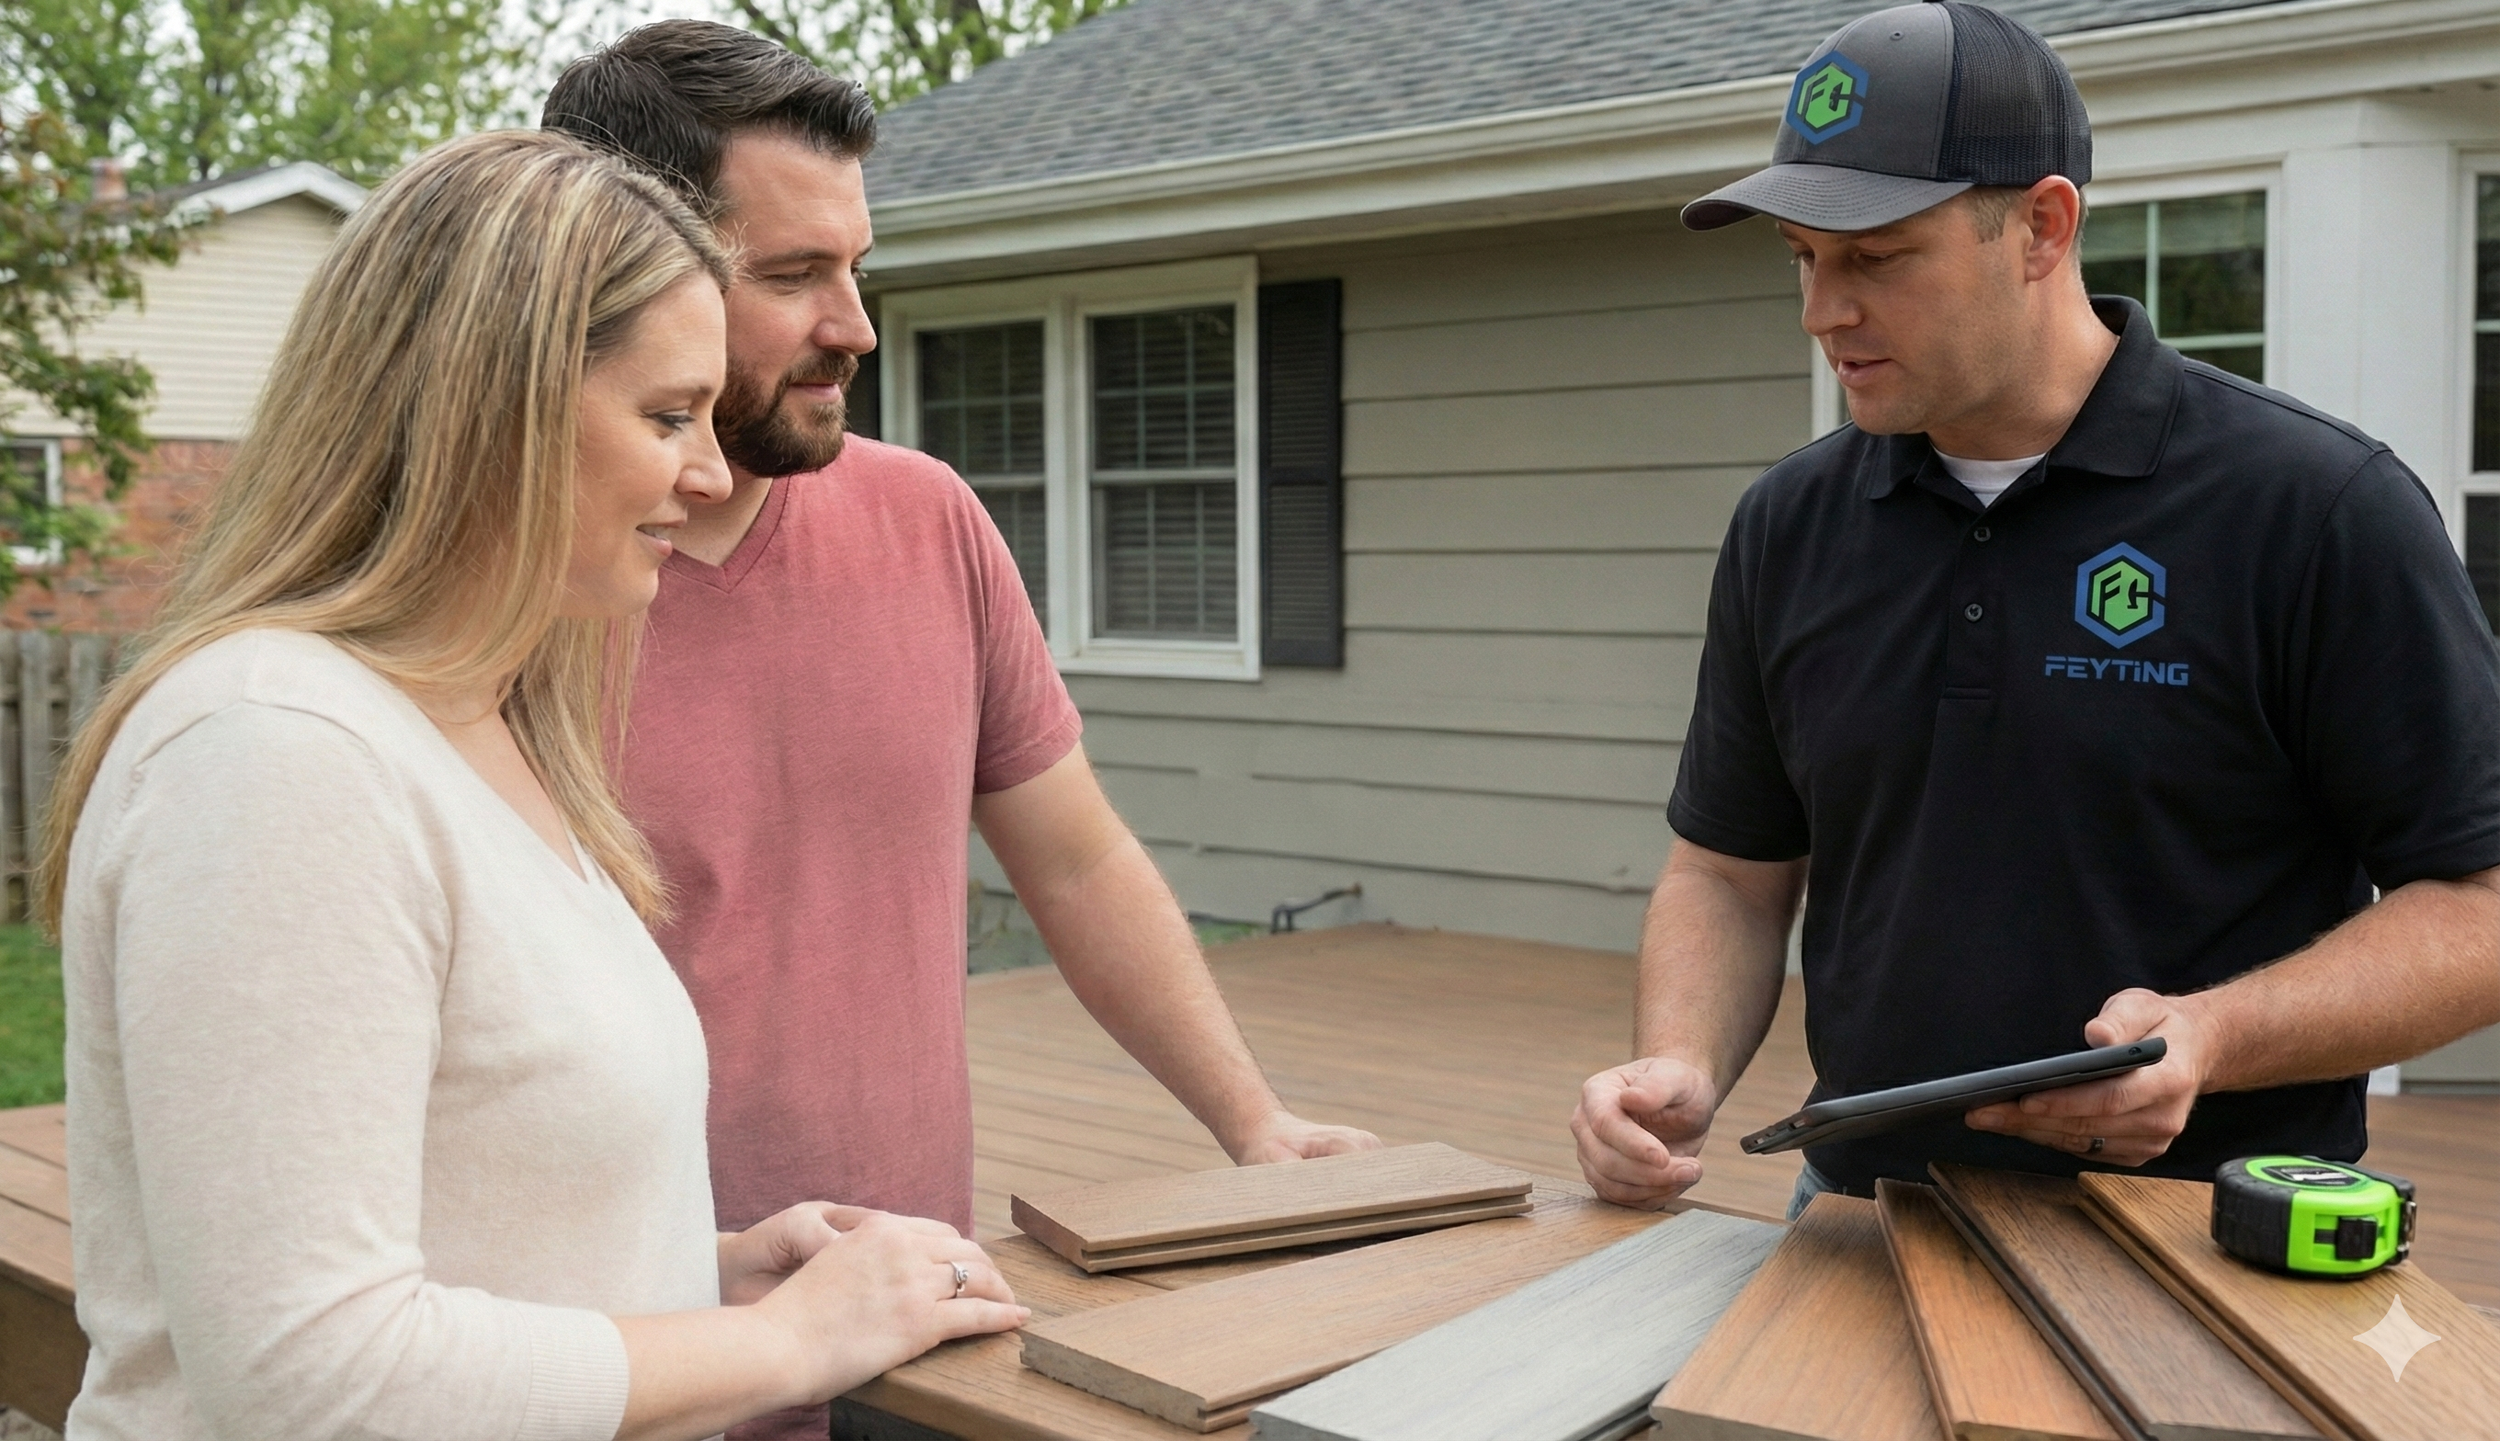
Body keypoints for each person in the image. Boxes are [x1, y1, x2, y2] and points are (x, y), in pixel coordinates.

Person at [40, 130, 1025, 1441]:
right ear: (485, 409)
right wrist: (788, 1343)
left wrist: (710, 1269)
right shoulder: (274, 751)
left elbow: (476, 1210)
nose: (710, 471)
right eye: (666, 414)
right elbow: (308, 1382)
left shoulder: (477, 730)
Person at [540, 31, 1378, 1432]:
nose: (856, 324)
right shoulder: (513, 597)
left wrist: (1254, 1120)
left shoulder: (929, 520)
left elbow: (1076, 860)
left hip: (916, 1317)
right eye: (795, 274)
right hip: (625, 1344)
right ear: (620, 270)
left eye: (855, 265)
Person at [1572, 0, 2500, 1219]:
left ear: (2040, 228)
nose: (1821, 311)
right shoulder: (1788, 526)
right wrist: (1679, 1061)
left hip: (2214, 1231)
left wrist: (2212, 1035)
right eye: (1802, 257)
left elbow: (2476, 904)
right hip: (1859, 1213)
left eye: (1875, 256)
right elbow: (1732, 872)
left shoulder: (2314, 508)